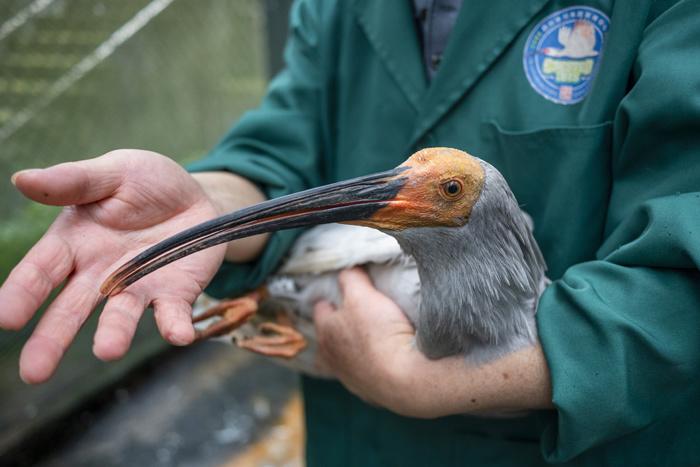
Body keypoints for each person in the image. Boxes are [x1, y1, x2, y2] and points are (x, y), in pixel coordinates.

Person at [2, 0, 699, 465]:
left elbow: (682, 275)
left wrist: (433, 382)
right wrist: (205, 208)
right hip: (354, 438)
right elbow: (284, 146)